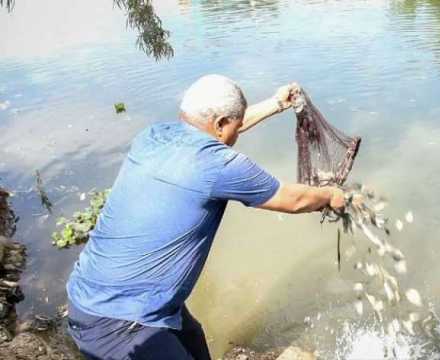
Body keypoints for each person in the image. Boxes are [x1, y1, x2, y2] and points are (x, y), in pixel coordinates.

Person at [65, 74, 345, 360]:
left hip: (89, 295)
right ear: (222, 124)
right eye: (233, 125)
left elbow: (215, 132)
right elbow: (293, 200)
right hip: (120, 325)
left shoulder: (153, 136)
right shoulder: (221, 166)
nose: (235, 134)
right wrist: (330, 195)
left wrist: (276, 104)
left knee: (194, 341)